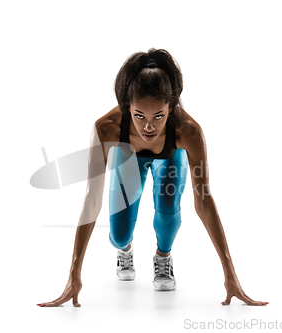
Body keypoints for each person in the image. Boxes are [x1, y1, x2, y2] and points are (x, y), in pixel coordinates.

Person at [37, 48, 269, 307]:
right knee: (120, 235)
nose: (149, 127)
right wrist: (74, 275)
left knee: (168, 205)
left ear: (171, 107)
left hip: (170, 158)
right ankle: (125, 250)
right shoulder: (107, 127)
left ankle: (163, 256)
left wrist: (230, 274)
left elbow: (204, 201)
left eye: (158, 116)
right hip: (129, 158)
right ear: (127, 107)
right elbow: (92, 200)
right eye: (139, 116)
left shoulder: (188, 131)